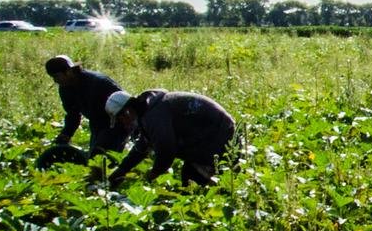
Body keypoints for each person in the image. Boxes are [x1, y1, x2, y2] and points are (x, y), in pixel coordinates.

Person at [104, 89, 236, 188]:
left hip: (218, 132)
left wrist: (149, 177)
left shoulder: (154, 116)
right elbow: (142, 147)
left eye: (121, 119)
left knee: (191, 181)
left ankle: (221, 197)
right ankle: (221, 190)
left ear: (127, 111)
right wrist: (122, 170)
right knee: (193, 177)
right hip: (210, 131)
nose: (123, 123)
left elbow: (166, 152)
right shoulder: (147, 110)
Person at [45, 55, 126, 152]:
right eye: (52, 77)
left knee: (106, 156)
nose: (55, 81)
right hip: (97, 124)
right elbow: (73, 114)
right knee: (95, 158)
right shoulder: (65, 88)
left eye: (57, 76)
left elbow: (124, 107)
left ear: (69, 71)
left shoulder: (98, 83)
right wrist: (66, 134)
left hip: (118, 122)